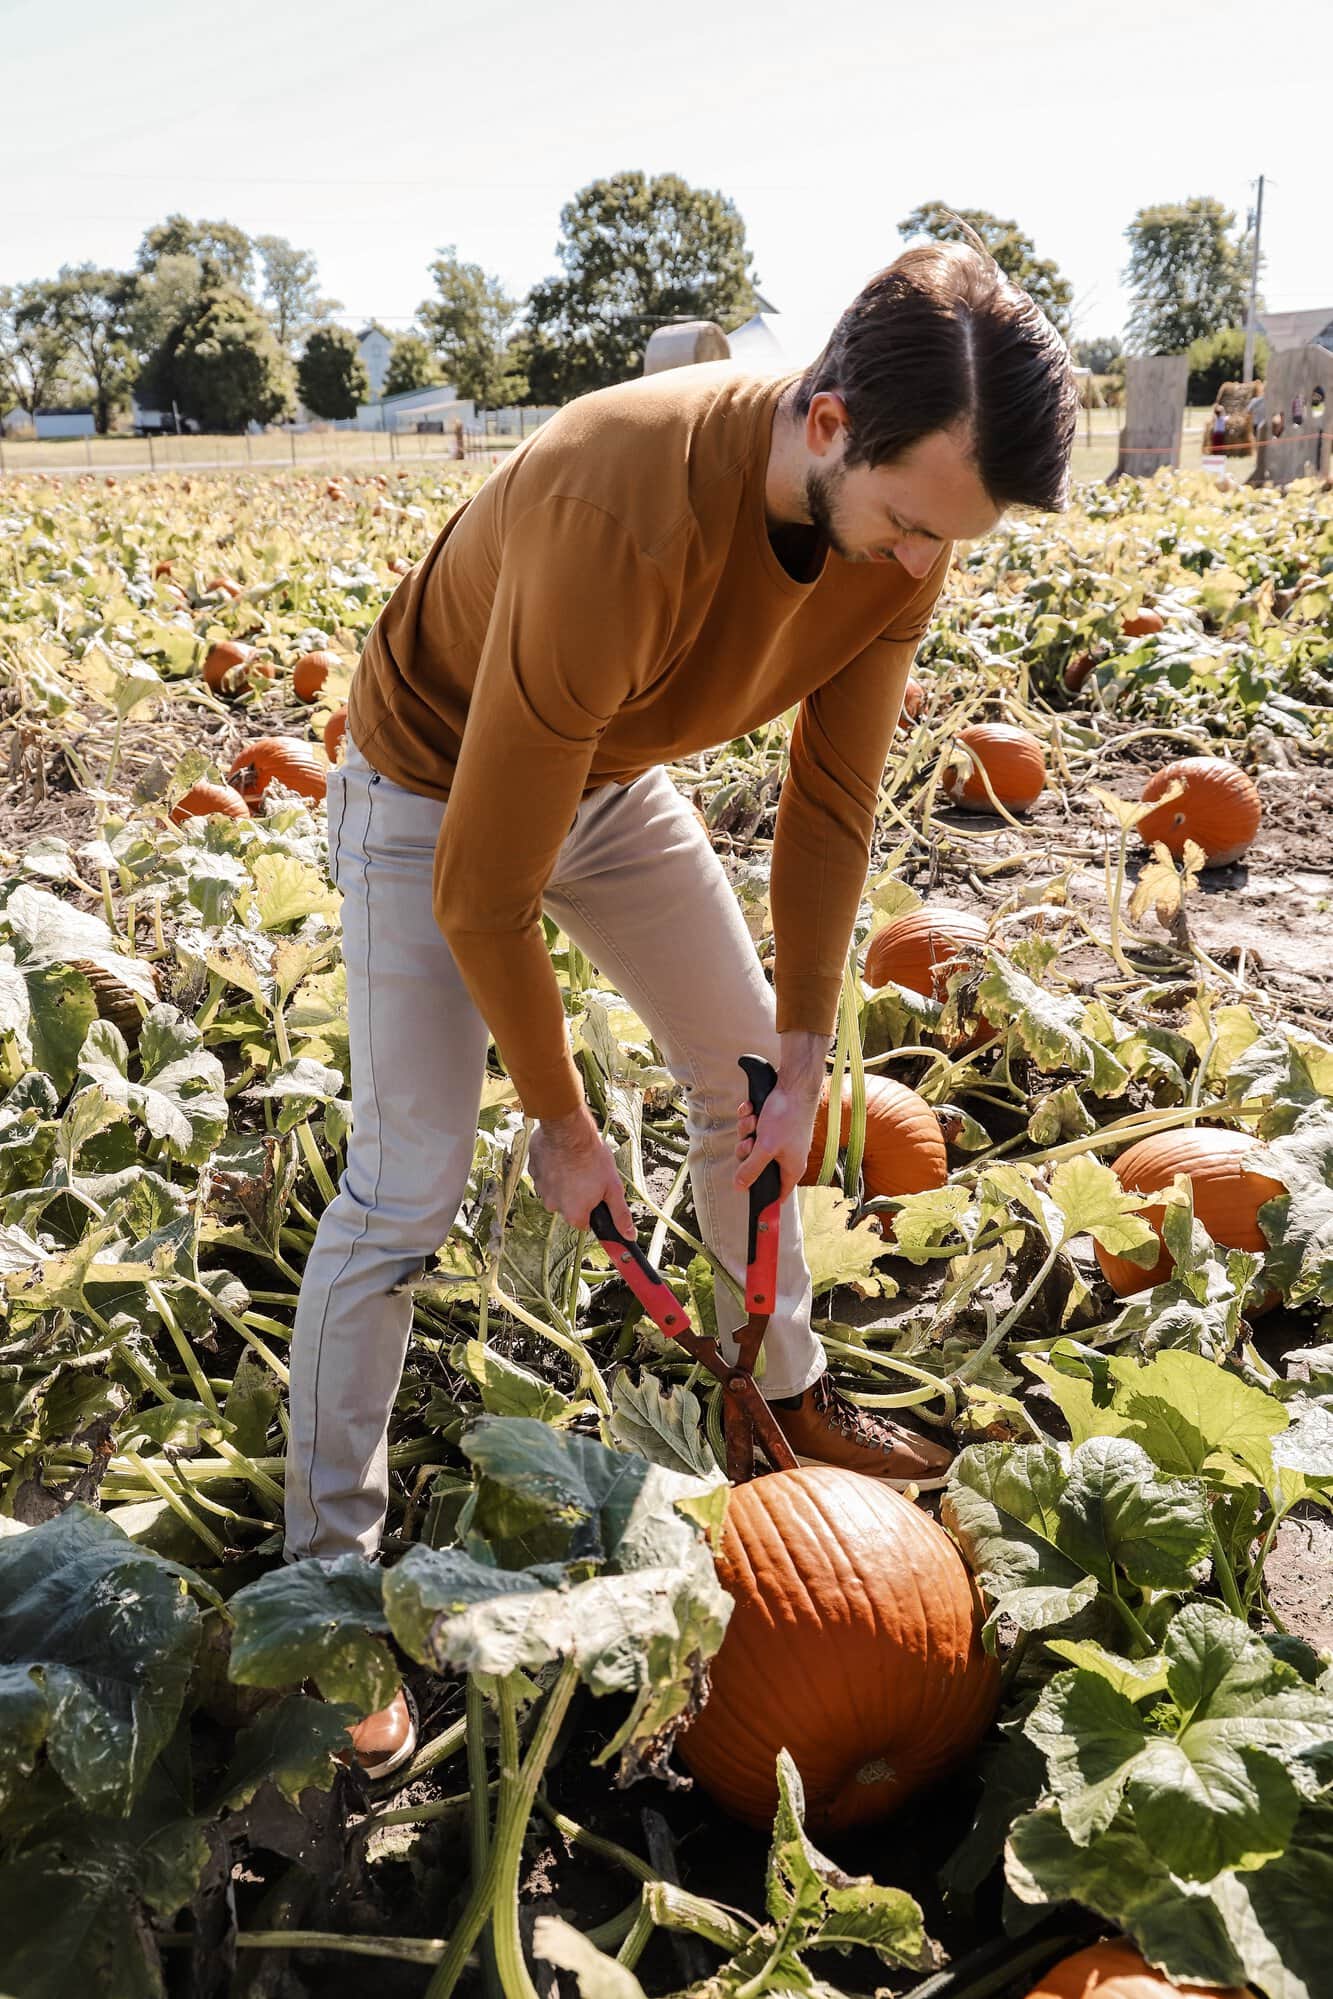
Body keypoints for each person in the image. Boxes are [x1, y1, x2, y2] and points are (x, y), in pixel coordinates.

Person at [285, 242, 1080, 1773]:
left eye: (951, 541)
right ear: (828, 422)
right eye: (912, 528)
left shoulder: (914, 509)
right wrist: (563, 1127)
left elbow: (833, 791)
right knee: (406, 1189)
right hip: (426, 796)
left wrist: (796, 1046)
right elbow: (481, 892)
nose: (922, 566)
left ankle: (774, 1405)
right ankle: (325, 1583)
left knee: (741, 1089)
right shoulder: (618, 503)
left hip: (604, 778)